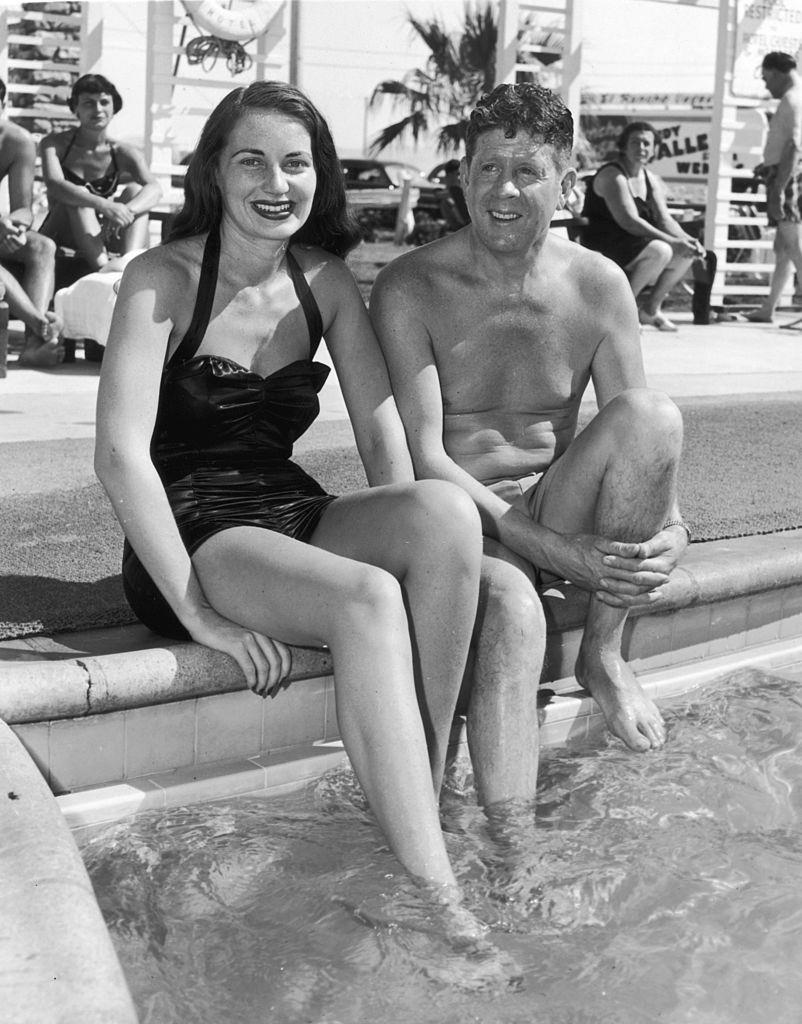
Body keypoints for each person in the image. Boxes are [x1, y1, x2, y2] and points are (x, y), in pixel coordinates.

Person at [94, 82, 486, 924]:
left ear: (321, 177)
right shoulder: (159, 279)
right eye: (253, 161)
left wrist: (444, 547)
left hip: (288, 508)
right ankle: (438, 900)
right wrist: (198, 612)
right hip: (194, 529)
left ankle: (420, 780)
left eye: (297, 163)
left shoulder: (328, 283)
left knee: (443, 516)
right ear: (214, 173)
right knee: (368, 596)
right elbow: (122, 457)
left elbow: (387, 444)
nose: (278, 182)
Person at [371, 84, 690, 799]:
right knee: (515, 613)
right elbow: (424, 458)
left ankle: (603, 654)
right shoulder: (411, 286)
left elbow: (634, 434)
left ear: (567, 184)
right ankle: (511, 857)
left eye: (528, 171)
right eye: (487, 168)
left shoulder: (599, 283)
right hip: (458, 524)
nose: (504, 189)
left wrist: (676, 530)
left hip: (554, 503)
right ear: (461, 177)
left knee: (655, 415)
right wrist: (551, 552)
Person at [580, 120, 705, 332]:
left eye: (647, 143)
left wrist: (687, 241)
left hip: (634, 244)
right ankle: (622, 312)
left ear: (655, 148)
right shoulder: (613, 175)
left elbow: (665, 219)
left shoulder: (650, 178)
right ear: (623, 146)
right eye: (635, 142)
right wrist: (672, 242)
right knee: (661, 250)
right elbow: (629, 221)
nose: (642, 148)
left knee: (688, 253)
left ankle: (650, 310)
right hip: (604, 242)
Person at [40, 73, 162, 271]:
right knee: (80, 197)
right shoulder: (54, 144)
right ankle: (105, 271)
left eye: (104, 102)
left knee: (133, 191)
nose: (98, 109)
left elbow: (155, 188)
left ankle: (126, 266)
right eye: (88, 103)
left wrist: (127, 210)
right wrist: (104, 205)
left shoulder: (123, 151)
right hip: (61, 230)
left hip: (100, 233)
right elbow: (54, 184)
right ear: (75, 109)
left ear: (114, 107)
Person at [0, 77, 62, 366]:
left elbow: (24, 208)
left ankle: (34, 347)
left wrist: (14, 225)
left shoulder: (16, 141)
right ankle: (40, 323)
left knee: (42, 246)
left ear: (2, 106)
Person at [746, 51, 802, 323]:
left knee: (794, 244)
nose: (766, 85)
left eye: (767, 78)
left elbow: (794, 146)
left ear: (778, 74)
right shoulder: (795, 98)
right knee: (782, 247)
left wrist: (779, 188)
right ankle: (769, 308)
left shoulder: (792, 99)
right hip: (783, 175)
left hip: (787, 179)